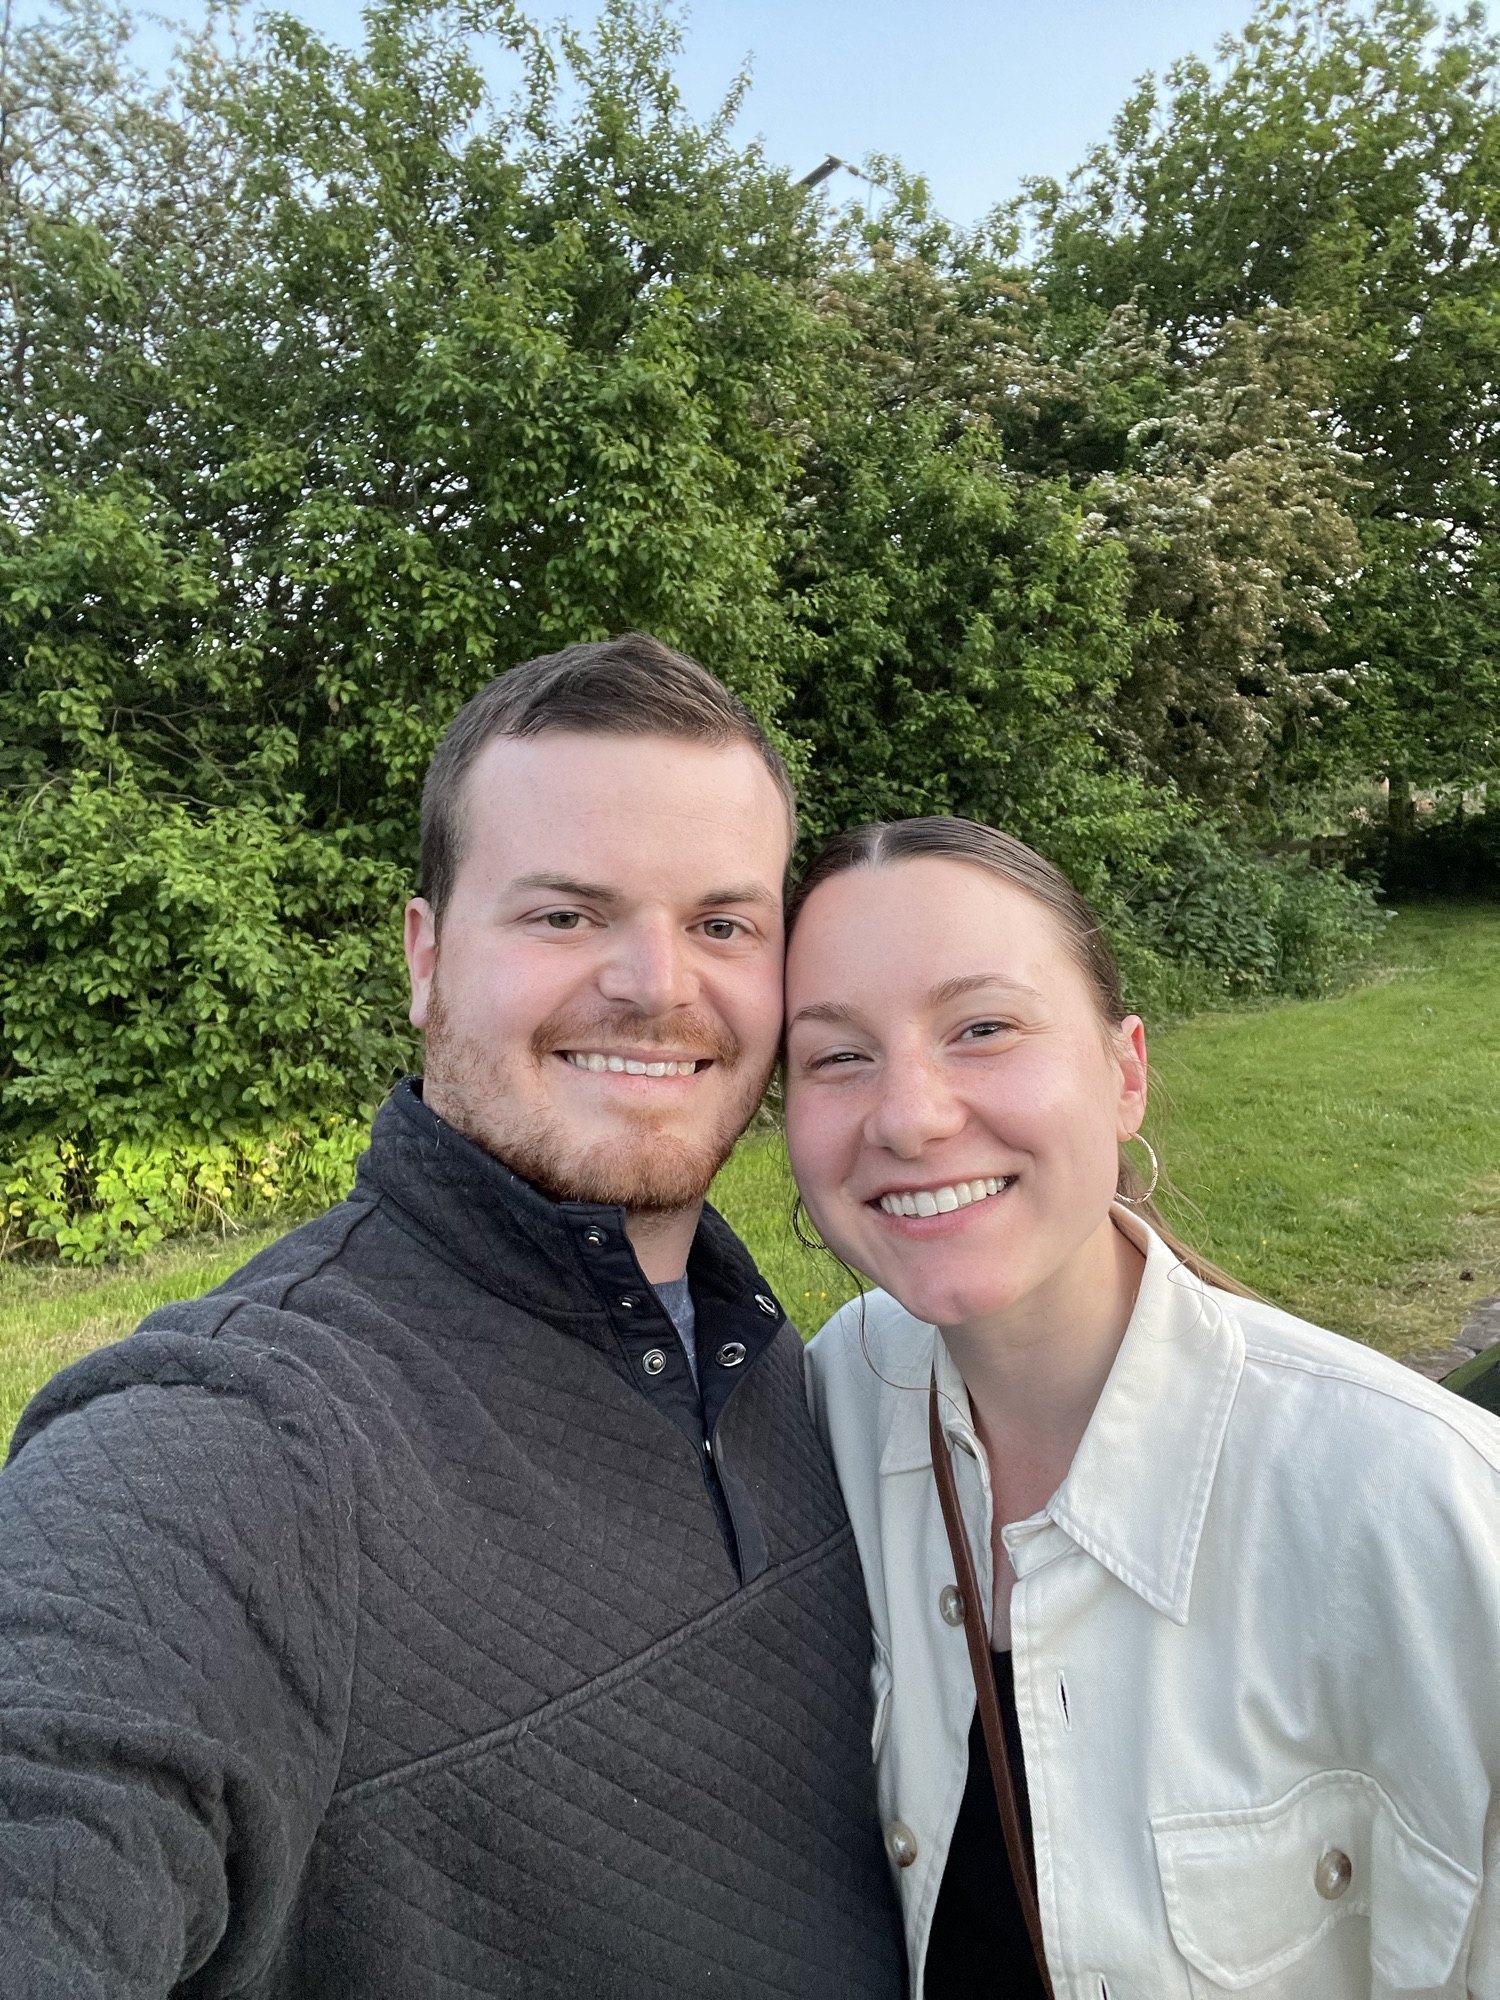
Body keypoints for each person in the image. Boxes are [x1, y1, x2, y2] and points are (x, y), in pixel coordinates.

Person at [0, 637, 905, 1999]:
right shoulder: (251, 1439)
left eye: (722, 925)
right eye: (566, 915)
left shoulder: (786, 1361)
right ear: (426, 959)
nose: (657, 984)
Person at [788, 814, 1500, 1998]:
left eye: (983, 1027)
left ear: (1126, 1073)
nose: (907, 1115)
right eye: (837, 1054)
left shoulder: (1425, 1513)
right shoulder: (831, 1407)